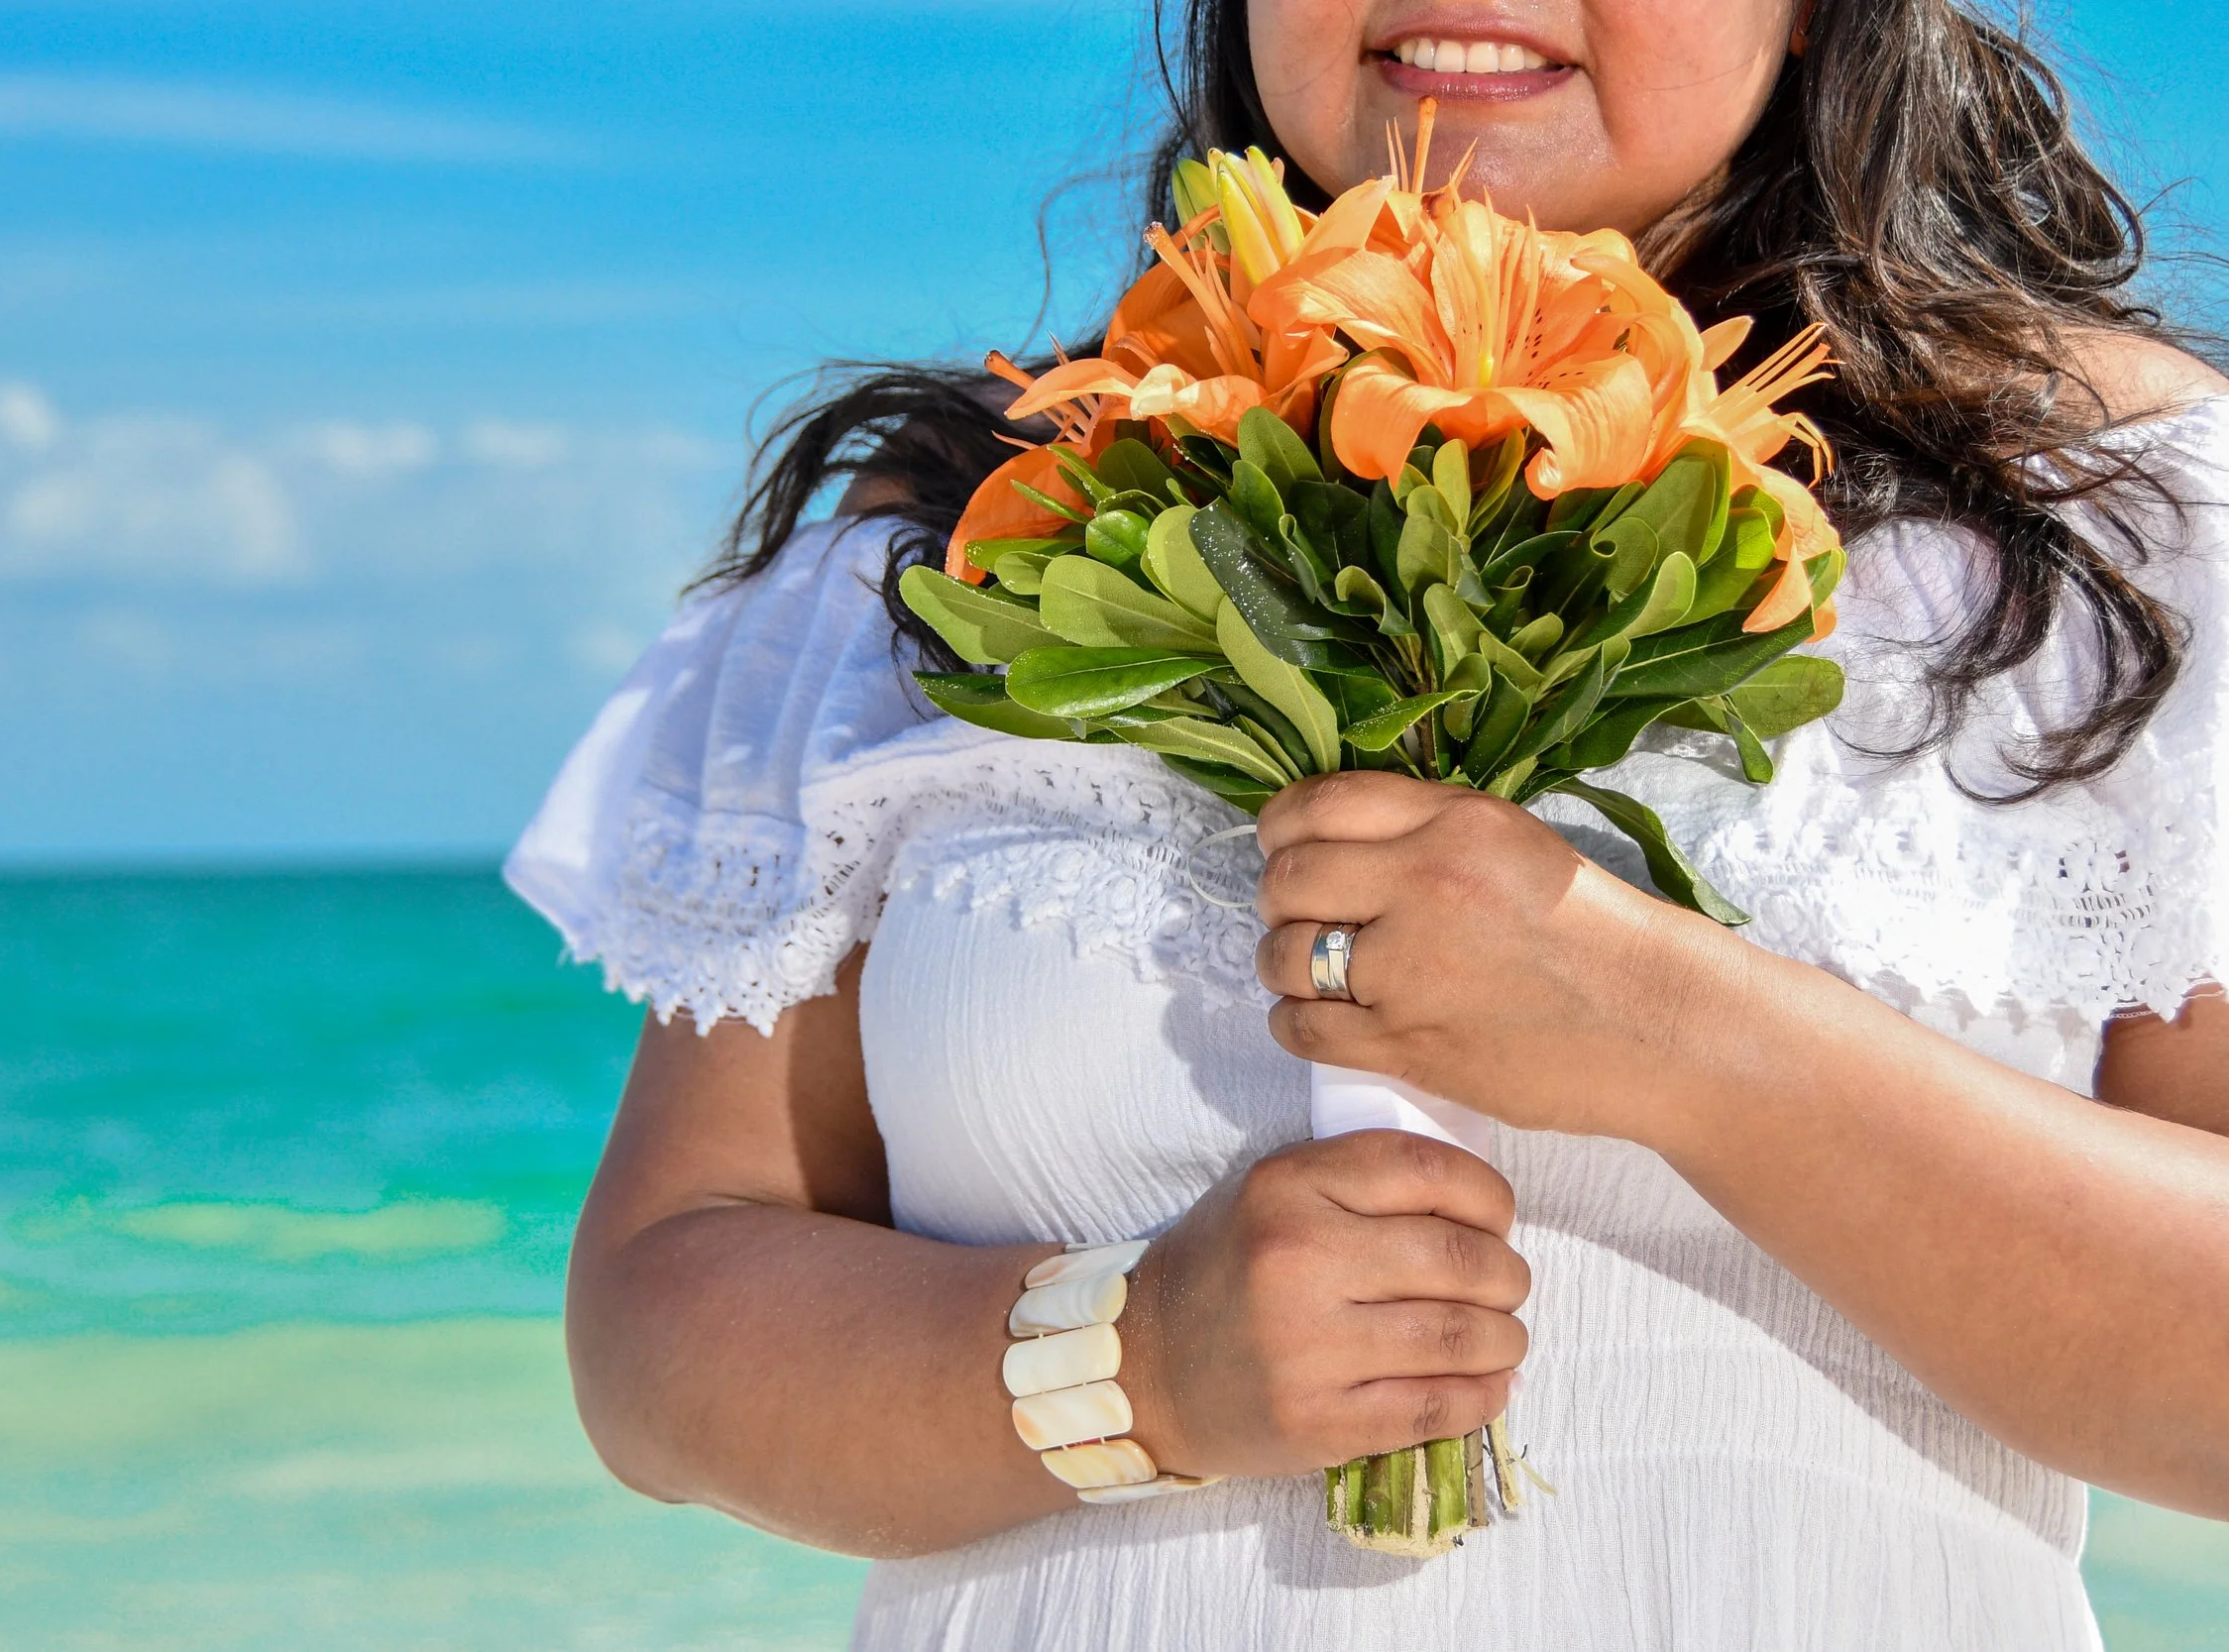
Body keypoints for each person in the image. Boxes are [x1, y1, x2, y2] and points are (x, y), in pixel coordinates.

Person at [505, 0, 2229, 1644]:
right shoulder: (982, 515)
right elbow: (660, 1314)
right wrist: (1138, 1365)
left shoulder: (2137, 527)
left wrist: (1693, 1040)